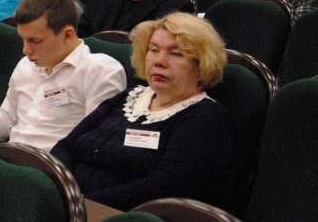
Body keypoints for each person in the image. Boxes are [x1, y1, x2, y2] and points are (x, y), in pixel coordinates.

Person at [51, 13, 234, 211]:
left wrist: (80, 203)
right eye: (153, 50)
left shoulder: (205, 119)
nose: (159, 61)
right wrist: (59, 191)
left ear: (201, 65)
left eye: (176, 54)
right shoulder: (128, 97)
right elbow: (66, 146)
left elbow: (163, 188)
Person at [0, 0, 125, 152]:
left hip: (55, 169)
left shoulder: (100, 71)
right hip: (11, 159)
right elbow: (6, 120)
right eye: (23, 39)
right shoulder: (26, 65)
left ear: (67, 35)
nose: (25, 50)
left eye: (35, 41)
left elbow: (93, 145)